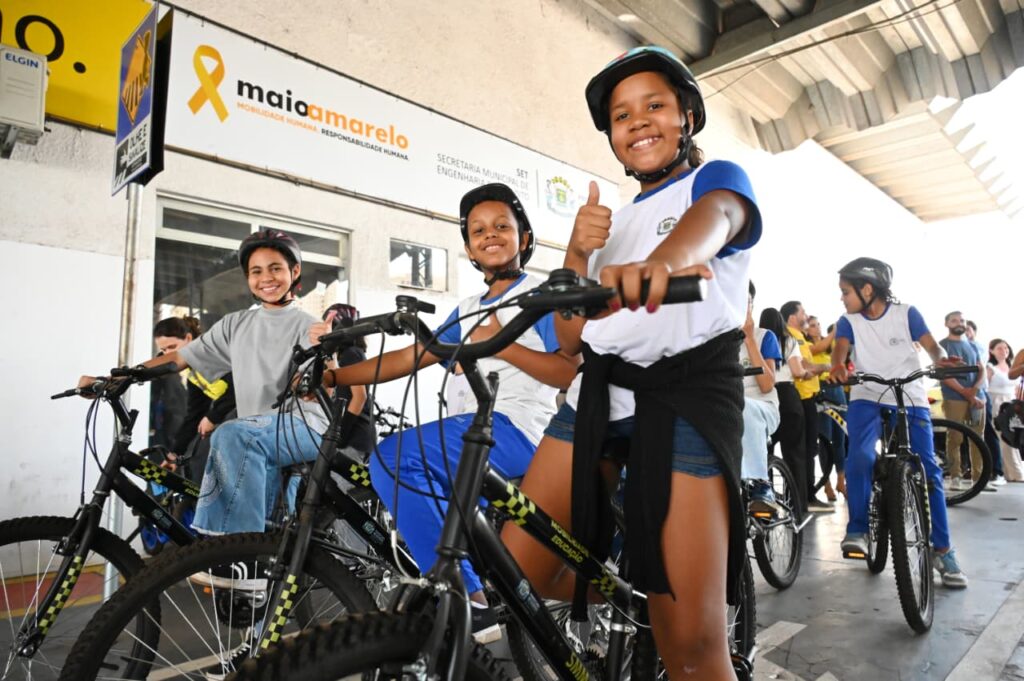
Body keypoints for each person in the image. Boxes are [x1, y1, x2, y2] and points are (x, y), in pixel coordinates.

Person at [501, 46, 762, 679]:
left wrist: (662, 264)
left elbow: (718, 218)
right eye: (622, 115)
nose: (638, 121)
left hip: (685, 398)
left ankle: (671, 594)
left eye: (655, 106)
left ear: (687, 117)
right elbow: (570, 338)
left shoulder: (714, 179)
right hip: (599, 397)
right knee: (516, 574)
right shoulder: (612, 223)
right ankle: (639, 592)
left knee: (693, 650)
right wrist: (576, 252)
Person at [323, 183, 578, 643]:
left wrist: (503, 343)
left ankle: (467, 600)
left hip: (518, 430)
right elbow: (410, 357)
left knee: (394, 458)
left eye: (501, 226)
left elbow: (566, 371)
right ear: (469, 248)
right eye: (478, 230)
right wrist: (334, 376)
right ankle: (474, 595)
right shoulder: (467, 309)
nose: (490, 234)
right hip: (478, 431)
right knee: (427, 497)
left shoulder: (539, 297)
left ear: (524, 238)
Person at [82, 229, 344, 572]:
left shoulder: (308, 326)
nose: (266, 278)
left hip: (305, 427)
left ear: (294, 272)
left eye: (276, 268)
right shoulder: (236, 324)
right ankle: (240, 560)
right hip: (257, 433)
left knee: (232, 434)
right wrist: (122, 376)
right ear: (248, 278)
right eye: (256, 271)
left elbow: (323, 383)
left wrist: (325, 350)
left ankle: (236, 557)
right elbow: (180, 358)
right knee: (237, 443)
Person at [830, 257, 968, 588]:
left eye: (846, 291)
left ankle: (943, 550)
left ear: (867, 289)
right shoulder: (848, 321)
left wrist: (940, 360)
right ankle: (858, 529)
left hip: (910, 394)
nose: (842, 298)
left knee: (929, 471)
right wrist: (837, 366)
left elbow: (932, 347)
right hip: (867, 394)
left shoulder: (907, 314)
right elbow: (840, 350)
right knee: (860, 456)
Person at [152, 316, 236, 481]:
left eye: (172, 347)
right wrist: (174, 454)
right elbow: (194, 416)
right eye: (163, 350)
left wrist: (212, 417)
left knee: (206, 456)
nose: (168, 354)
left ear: (189, 338)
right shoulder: (193, 375)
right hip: (233, 414)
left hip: (255, 411)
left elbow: (239, 387)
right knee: (197, 456)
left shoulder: (212, 356)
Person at [781, 301, 833, 512]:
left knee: (807, 449)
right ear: (792, 317)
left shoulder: (798, 337)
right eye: (802, 312)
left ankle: (803, 496)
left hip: (807, 396)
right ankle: (806, 497)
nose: (806, 315)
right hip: (801, 398)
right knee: (804, 450)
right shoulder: (792, 336)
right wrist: (826, 366)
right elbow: (804, 366)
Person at [759, 307, 808, 512]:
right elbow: (797, 370)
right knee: (794, 454)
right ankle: (797, 507)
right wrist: (807, 372)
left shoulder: (759, 339)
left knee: (763, 454)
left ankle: (764, 504)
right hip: (788, 397)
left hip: (764, 397)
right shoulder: (790, 341)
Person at [740, 281, 783, 515]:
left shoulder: (765, 336)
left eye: (744, 301)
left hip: (762, 406)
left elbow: (767, 384)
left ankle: (761, 483)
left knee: (743, 406)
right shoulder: (714, 339)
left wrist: (749, 339)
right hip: (725, 407)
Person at [938, 311, 987, 491]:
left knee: (978, 438)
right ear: (946, 324)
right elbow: (943, 375)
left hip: (978, 399)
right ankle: (955, 477)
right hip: (954, 399)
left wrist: (975, 390)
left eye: (962, 320)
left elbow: (982, 369)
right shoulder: (942, 346)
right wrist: (967, 394)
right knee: (955, 437)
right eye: (954, 320)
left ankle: (979, 478)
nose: (959, 323)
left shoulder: (973, 345)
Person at [807, 317, 846, 499]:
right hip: (822, 392)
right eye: (812, 326)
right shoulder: (809, 346)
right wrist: (834, 331)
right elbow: (820, 347)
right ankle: (826, 483)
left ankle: (841, 480)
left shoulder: (830, 344)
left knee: (841, 438)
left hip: (837, 390)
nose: (817, 328)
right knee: (826, 440)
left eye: (818, 324)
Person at [967, 320, 1006, 486]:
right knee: (963, 434)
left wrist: (975, 391)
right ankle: (971, 470)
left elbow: (979, 369)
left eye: (969, 330)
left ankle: (996, 471)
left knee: (987, 432)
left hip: (981, 394)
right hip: (960, 394)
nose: (966, 333)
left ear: (974, 332)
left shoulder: (979, 347)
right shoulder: (951, 345)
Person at [988, 338, 1024, 481]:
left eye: (1006, 348)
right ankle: (1012, 472)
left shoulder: (1009, 364)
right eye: (999, 348)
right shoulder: (991, 367)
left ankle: (1015, 471)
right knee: (1007, 437)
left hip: (1011, 400)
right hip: (999, 402)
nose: (1004, 351)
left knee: (1013, 437)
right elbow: (1012, 375)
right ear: (992, 351)